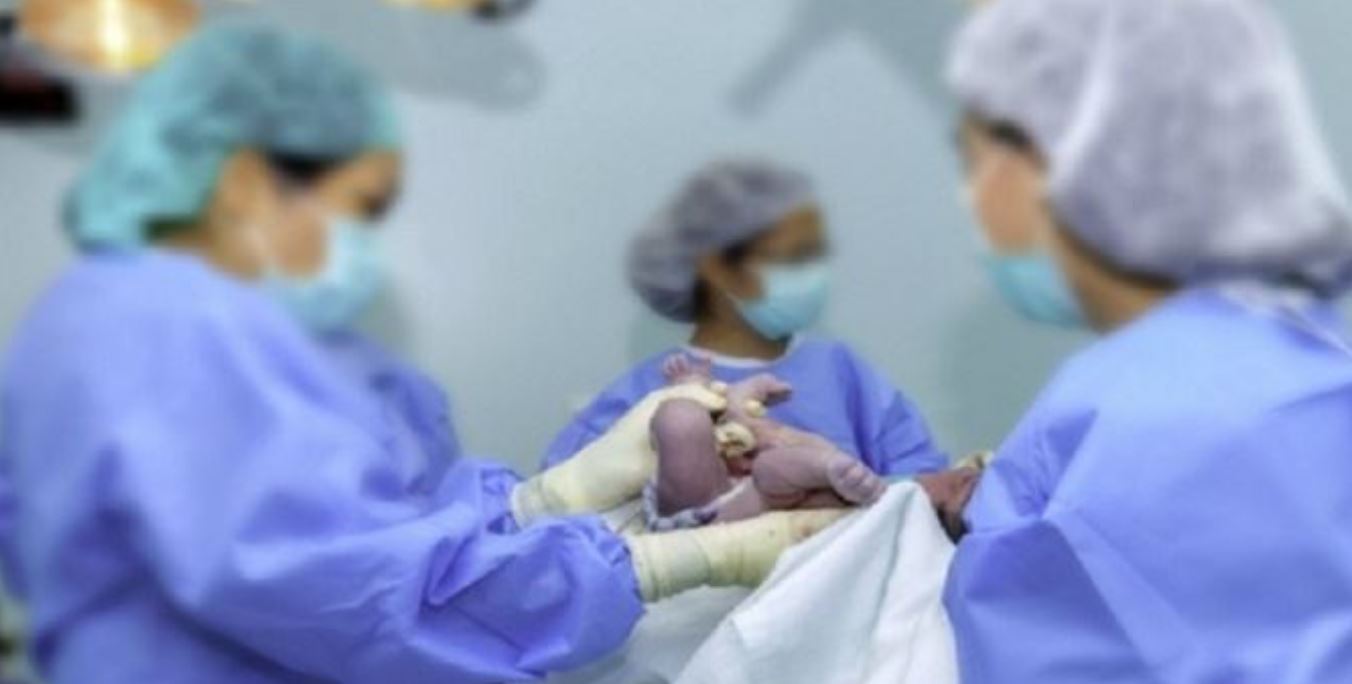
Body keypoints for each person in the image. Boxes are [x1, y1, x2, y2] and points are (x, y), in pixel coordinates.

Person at [0, 24, 846, 684]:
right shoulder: (152, 338)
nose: (362, 244)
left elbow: (392, 538)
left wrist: (548, 501)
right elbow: (345, 592)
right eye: (360, 207)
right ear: (245, 184)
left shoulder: (272, 349)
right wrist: (672, 561)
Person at [941, 0, 1352, 680]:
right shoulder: (1295, 354)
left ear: (1070, 154)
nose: (973, 198)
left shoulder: (1150, 412)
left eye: (974, 157)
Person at [543, 160, 949, 478]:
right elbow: (562, 502)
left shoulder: (841, 371)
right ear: (717, 268)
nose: (816, 275)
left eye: (817, 254)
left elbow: (923, 481)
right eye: (795, 258)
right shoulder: (649, 393)